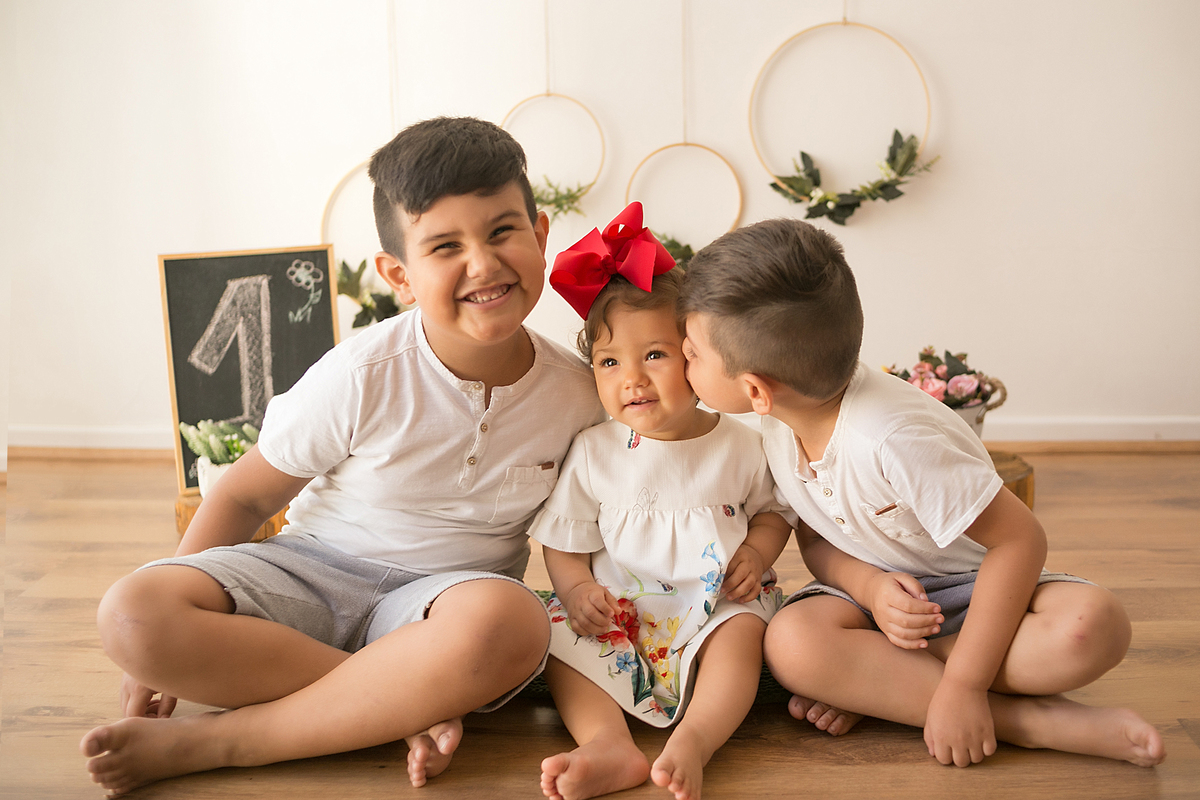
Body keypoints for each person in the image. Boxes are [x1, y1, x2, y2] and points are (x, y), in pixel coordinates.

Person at [79, 116, 607, 796]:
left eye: (502, 231)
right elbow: (245, 495)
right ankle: (396, 704)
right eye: (445, 246)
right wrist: (151, 655)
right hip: (310, 574)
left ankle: (224, 741)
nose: (482, 264)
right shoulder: (363, 372)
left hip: (443, 610)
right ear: (399, 275)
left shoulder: (578, 394)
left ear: (540, 235)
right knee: (131, 614)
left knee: (514, 622)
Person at [677, 217, 1166, 769]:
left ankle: (891, 684)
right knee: (792, 643)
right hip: (876, 604)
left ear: (755, 390)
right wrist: (870, 587)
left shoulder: (894, 439)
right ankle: (1027, 723)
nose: (682, 360)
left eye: (691, 353)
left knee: (1093, 628)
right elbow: (814, 536)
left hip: (980, 589)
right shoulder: (774, 426)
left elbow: (1019, 541)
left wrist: (963, 684)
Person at [531, 203, 791, 800]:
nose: (632, 379)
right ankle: (606, 741)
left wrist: (757, 552)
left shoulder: (740, 442)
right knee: (556, 637)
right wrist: (576, 590)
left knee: (741, 636)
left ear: (695, 356)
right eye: (609, 362)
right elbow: (564, 541)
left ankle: (697, 738)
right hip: (620, 609)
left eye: (654, 355)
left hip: (715, 600)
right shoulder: (595, 451)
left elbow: (774, 512)